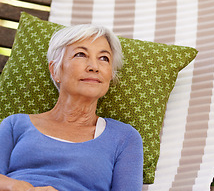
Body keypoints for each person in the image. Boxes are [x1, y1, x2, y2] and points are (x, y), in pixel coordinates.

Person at [0, 24, 143, 191]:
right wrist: (17, 186)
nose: (94, 67)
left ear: (110, 76)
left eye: (104, 58)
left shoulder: (125, 138)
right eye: (80, 54)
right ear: (55, 71)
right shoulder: (15, 125)